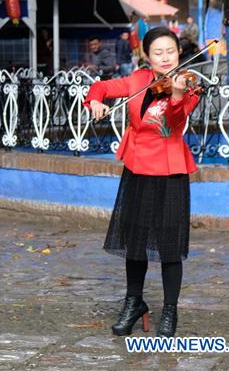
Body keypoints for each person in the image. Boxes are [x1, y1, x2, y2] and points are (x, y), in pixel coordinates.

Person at [86, 27, 200, 339]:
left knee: (170, 246)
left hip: (170, 170)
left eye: (171, 51)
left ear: (179, 52)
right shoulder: (137, 81)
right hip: (138, 168)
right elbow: (100, 87)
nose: (166, 58)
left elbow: (175, 122)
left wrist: (176, 95)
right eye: (158, 53)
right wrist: (95, 102)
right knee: (134, 242)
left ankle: (170, 312)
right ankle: (134, 302)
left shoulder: (190, 86)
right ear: (147, 57)